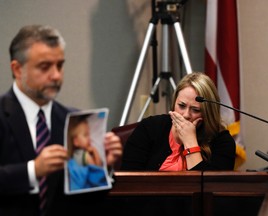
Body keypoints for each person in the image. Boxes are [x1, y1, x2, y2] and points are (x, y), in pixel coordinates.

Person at [0, 25, 122, 215]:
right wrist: (33, 170)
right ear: (17, 69)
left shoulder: (73, 120)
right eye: (44, 66)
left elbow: (89, 202)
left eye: (60, 65)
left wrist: (101, 168)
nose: (56, 75)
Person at [121, 72, 236, 171]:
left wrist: (190, 142)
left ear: (208, 112)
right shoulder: (150, 127)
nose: (186, 115)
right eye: (181, 106)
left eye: (195, 110)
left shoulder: (222, 141)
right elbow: (128, 181)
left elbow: (208, 189)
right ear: (174, 102)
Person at [67, 115, 108, 191]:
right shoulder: (85, 155)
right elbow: (97, 169)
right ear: (76, 141)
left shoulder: (75, 155)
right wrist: (95, 151)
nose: (89, 138)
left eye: (88, 134)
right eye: (85, 135)